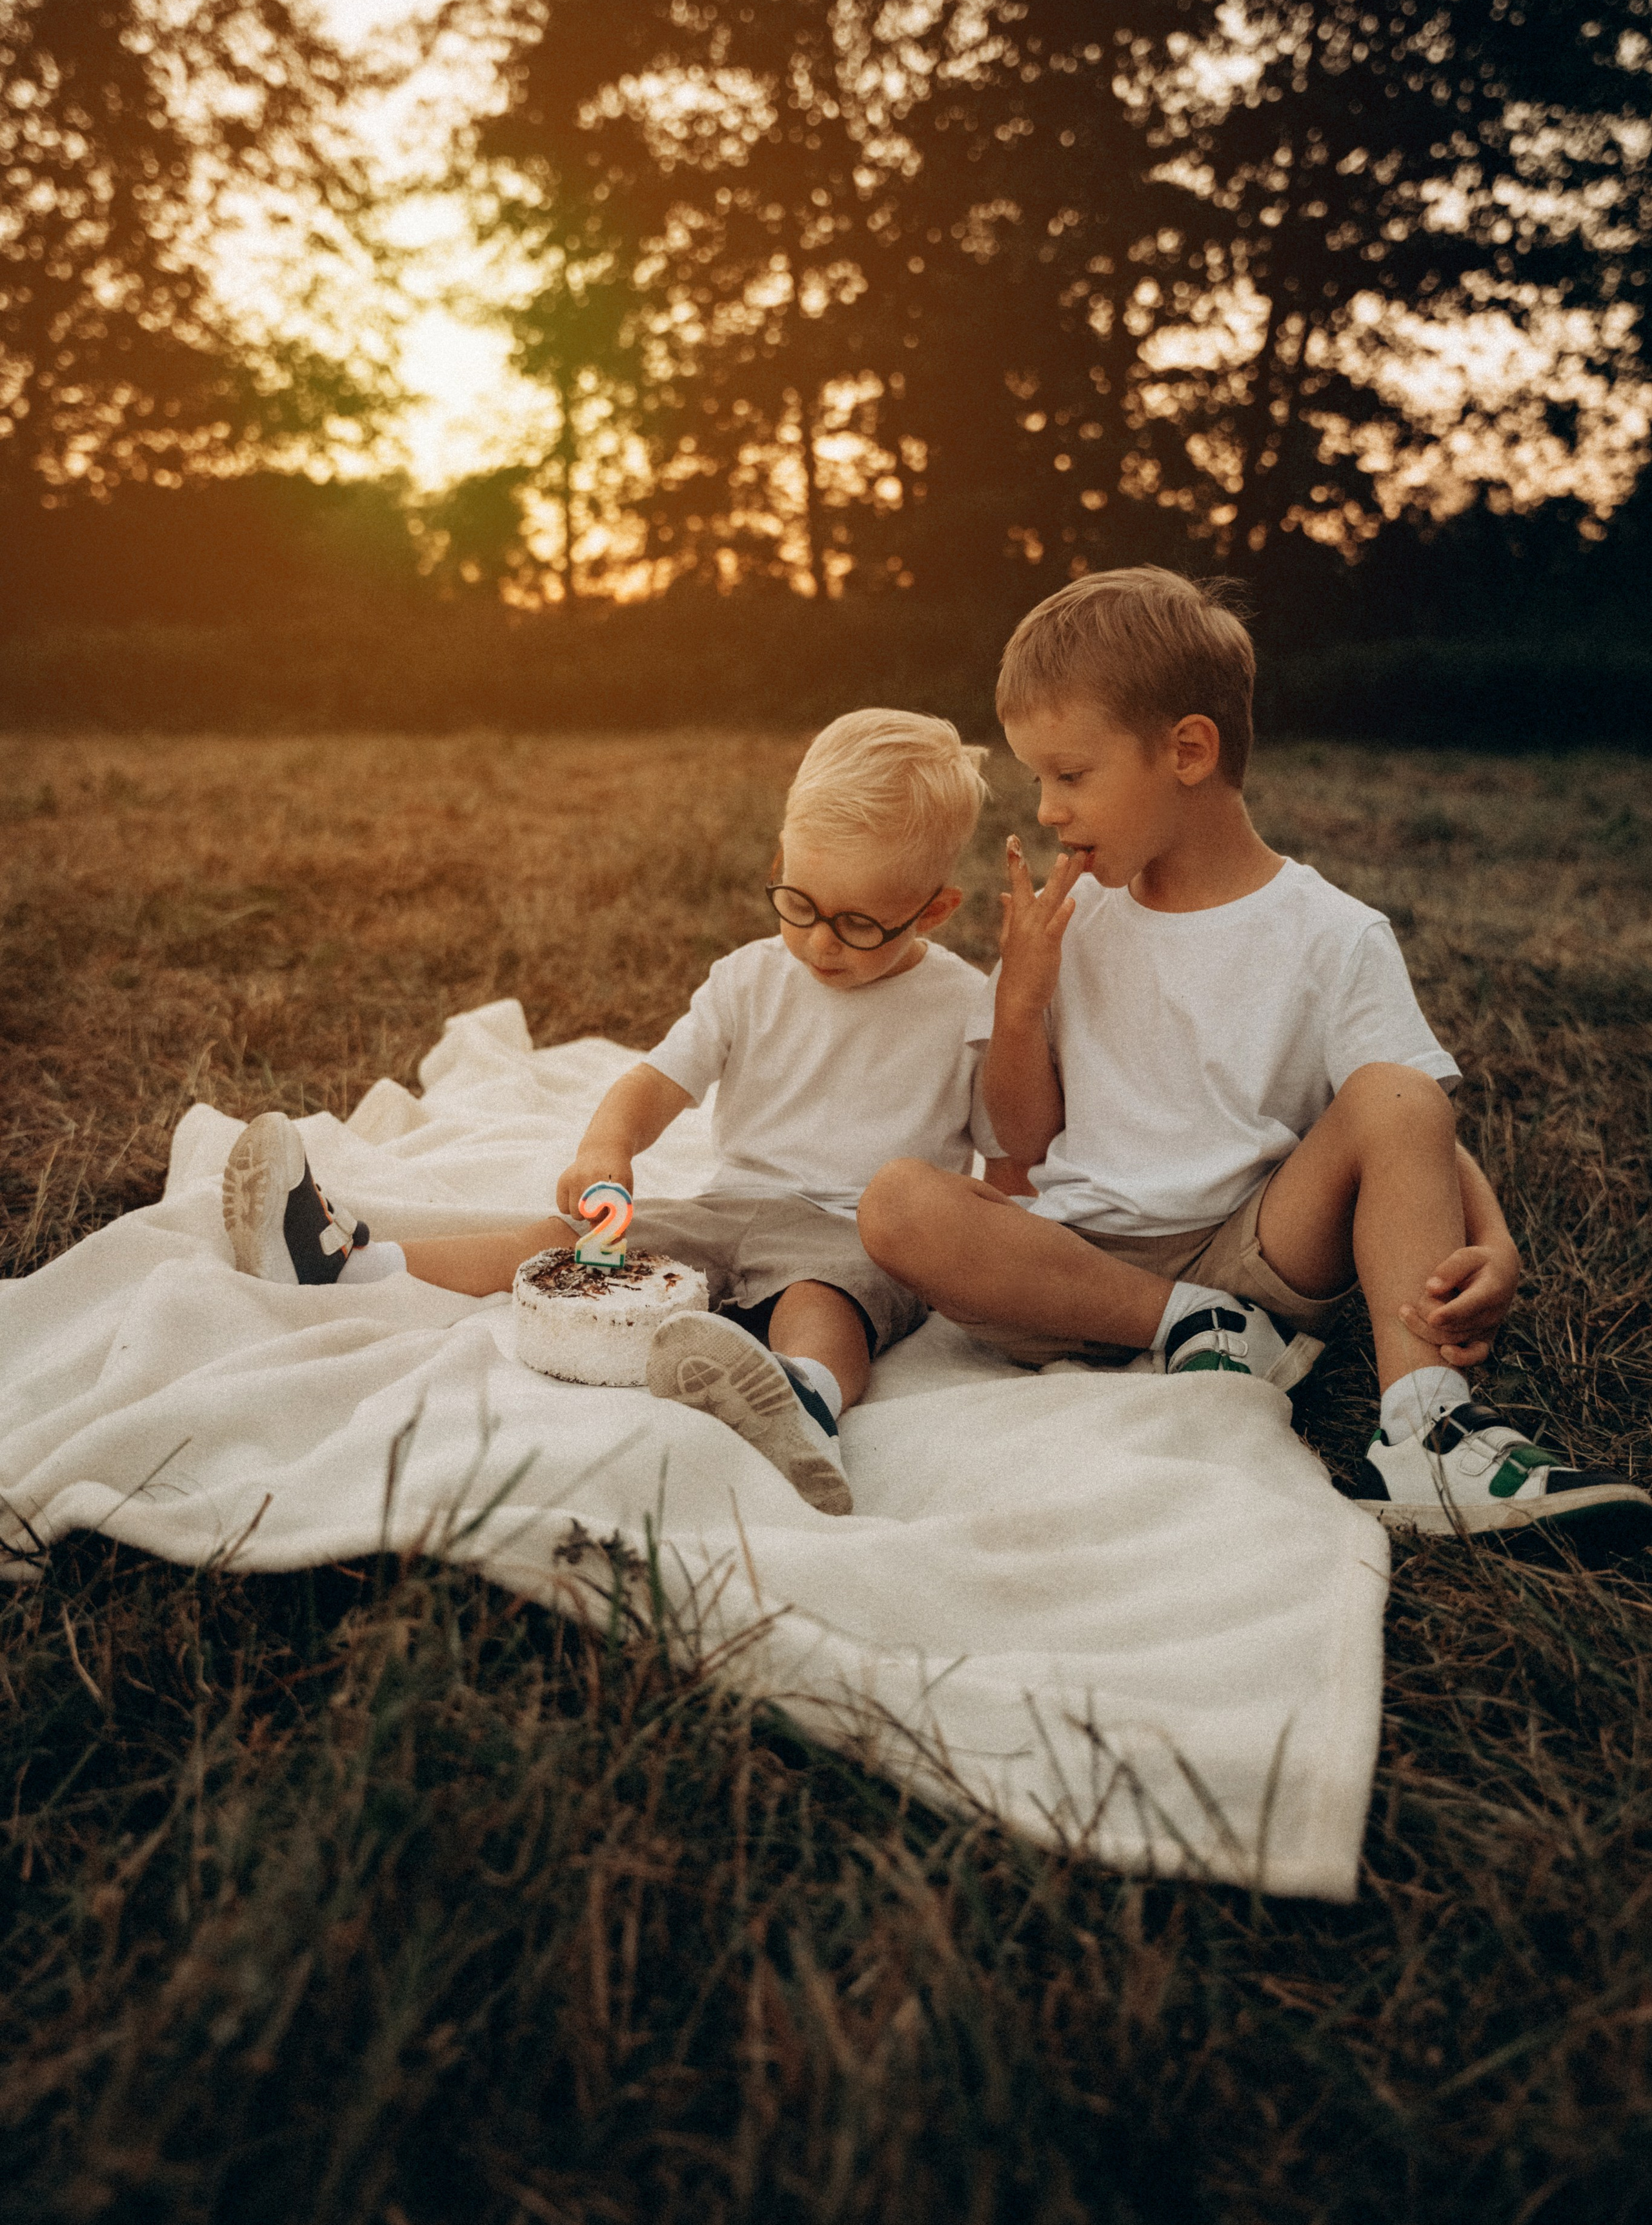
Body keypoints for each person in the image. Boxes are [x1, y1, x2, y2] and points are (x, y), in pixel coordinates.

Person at [858, 569, 1652, 1540]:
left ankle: (1424, 1428)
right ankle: (1184, 1326)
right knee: (897, 1201)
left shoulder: (1330, 933)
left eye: (1070, 774)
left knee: (1393, 1088)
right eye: (1039, 780)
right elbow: (1023, 1139)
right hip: (1080, 1268)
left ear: (1188, 750)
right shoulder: (1079, 922)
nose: (1049, 809)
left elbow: (1412, 1114)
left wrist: (1495, 1242)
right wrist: (1019, 1002)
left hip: (1260, 1251)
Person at [222, 709, 1002, 1518]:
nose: (820, 943)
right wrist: (607, 1146)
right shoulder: (749, 978)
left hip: (855, 1234)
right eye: (799, 902)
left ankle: (801, 1402)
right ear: (778, 860)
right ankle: (345, 1261)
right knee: (566, 1245)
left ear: (934, 910)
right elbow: (658, 1081)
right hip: (725, 1209)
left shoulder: (963, 1004)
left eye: (858, 923)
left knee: (821, 1304)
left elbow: (1008, 1149)